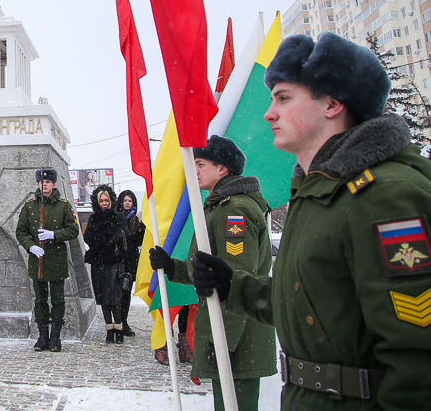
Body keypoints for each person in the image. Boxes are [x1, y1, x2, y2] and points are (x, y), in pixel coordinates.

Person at [192, 32, 431, 410]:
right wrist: (231, 285)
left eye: (284, 98)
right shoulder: (319, 192)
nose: (270, 113)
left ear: (333, 103)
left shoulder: (386, 194)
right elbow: (308, 305)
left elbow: (417, 355)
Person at [149, 135, 276, 411]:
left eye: (201, 163)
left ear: (223, 169)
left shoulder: (235, 211)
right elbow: (213, 273)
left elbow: (237, 281)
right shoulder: (218, 206)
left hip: (238, 338)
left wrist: (224, 343)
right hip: (231, 332)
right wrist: (173, 268)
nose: (193, 169)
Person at [16, 168, 80, 352]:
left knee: (58, 300)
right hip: (38, 261)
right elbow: (21, 231)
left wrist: (54, 234)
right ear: (38, 184)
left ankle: (56, 337)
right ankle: (42, 336)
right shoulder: (30, 206)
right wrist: (30, 246)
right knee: (40, 301)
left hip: (56, 260)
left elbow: (73, 230)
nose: (44, 185)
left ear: (53, 184)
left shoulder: (63, 206)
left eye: (48, 182)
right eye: (41, 182)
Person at [83, 185, 130, 343]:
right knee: (103, 298)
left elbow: (123, 236)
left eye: (106, 200)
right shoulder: (93, 218)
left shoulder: (118, 216)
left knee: (115, 298)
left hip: (114, 262)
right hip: (98, 261)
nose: (104, 203)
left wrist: (110, 241)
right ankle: (109, 329)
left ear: (111, 200)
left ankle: (119, 328)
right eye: (101, 200)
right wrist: (98, 242)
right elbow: (87, 237)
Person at [119, 189, 145, 337]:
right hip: (118, 259)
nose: (127, 203)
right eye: (125, 200)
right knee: (118, 291)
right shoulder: (117, 217)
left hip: (131, 259)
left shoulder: (136, 219)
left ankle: (124, 321)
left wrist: (141, 231)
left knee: (126, 291)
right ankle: (118, 321)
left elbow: (138, 241)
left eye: (130, 201)